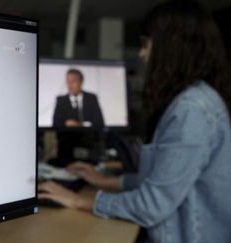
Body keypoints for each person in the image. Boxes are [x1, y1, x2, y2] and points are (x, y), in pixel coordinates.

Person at [39, 1, 231, 242]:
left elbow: (151, 205)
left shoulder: (191, 111)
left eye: (145, 44)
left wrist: (77, 200)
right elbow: (162, 178)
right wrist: (105, 181)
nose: (141, 53)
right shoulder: (194, 100)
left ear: (170, 47)